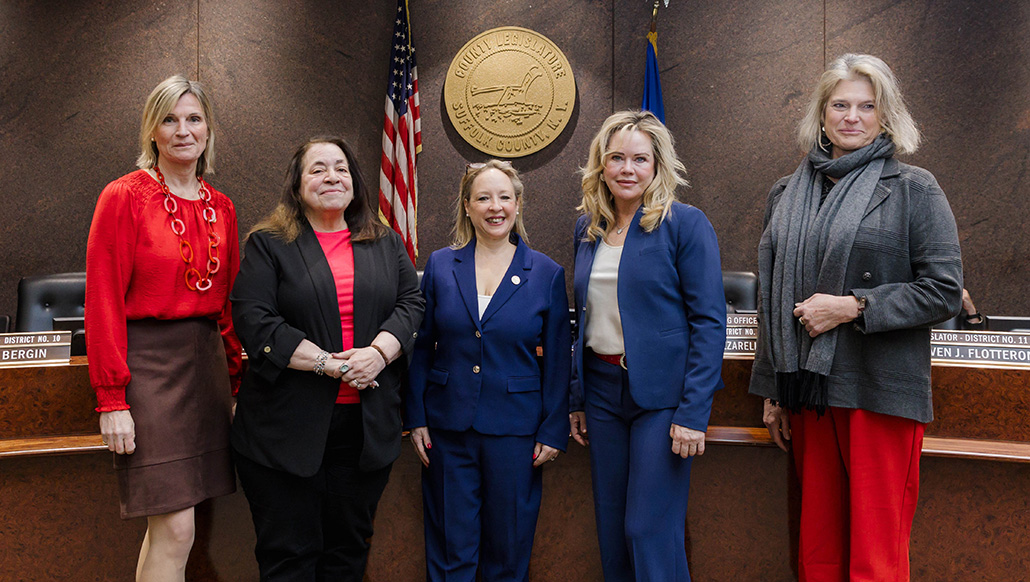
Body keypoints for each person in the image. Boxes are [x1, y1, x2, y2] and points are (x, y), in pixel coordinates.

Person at [750, 54, 963, 582]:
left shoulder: (914, 188)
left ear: (885, 116)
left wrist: (853, 307)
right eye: (839, 105)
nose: (852, 116)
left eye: (867, 106)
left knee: (875, 554)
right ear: (821, 116)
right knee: (818, 549)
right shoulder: (786, 191)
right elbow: (771, 296)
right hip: (809, 393)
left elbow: (942, 291)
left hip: (878, 390)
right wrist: (775, 389)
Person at [230, 136, 424, 580]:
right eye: (317, 169)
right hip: (285, 433)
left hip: (363, 434)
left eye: (340, 168)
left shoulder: (386, 241)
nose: (331, 176)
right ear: (298, 187)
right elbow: (255, 320)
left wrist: (377, 354)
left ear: (354, 181)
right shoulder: (269, 244)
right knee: (290, 558)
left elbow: (412, 304)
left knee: (348, 555)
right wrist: (330, 365)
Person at [85, 75, 241, 581]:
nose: (183, 130)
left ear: (208, 129)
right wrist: (112, 399)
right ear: (152, 130)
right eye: (169, 119)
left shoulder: (222, 207)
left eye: (194, 119)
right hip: (148, 369)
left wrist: (236, 382)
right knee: (175, 530)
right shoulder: (124, 196)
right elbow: (102, 299)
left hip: (207, 368)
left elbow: (229, 306)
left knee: (174, 531)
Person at [568, 110, 726, 582]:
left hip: (662, 398)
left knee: (647, 528)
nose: (627, 169)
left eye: (640, 158)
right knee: (612, 528)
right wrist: (577, 396)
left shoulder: (684, 224)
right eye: (616, 158)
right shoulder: (587, 228)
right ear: (601, 165)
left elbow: (709, 321)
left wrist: (693, 413)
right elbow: (584, 319)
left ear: (658, 165)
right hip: (600, 392)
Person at [405, 160, 571, 582]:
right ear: (467, 206)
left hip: (516, 434)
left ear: (518, 204)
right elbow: (421, 347)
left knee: (507, 551)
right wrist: (416, 417)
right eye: (483, 197)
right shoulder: (441, 266)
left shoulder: (546, 273)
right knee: (450, 551)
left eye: (504, 197)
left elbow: (557, 360)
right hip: (448, 429)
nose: (494, 207)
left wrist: (553, 429)